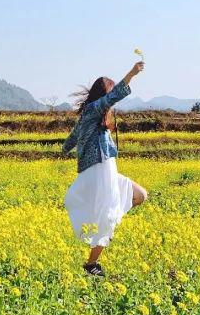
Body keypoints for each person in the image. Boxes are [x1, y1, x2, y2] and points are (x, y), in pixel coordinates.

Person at [62, 61, 148, 277]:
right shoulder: (93, 109)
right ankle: (91, 265)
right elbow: (114, 96)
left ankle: (95, 254)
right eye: (108, 95)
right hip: (100, 172)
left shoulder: (92, 116)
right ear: (104, 94)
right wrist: (132, 73)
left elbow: (73, 137)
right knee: (107, 219)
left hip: (107, 171)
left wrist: (65, 149)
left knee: (140, 195)